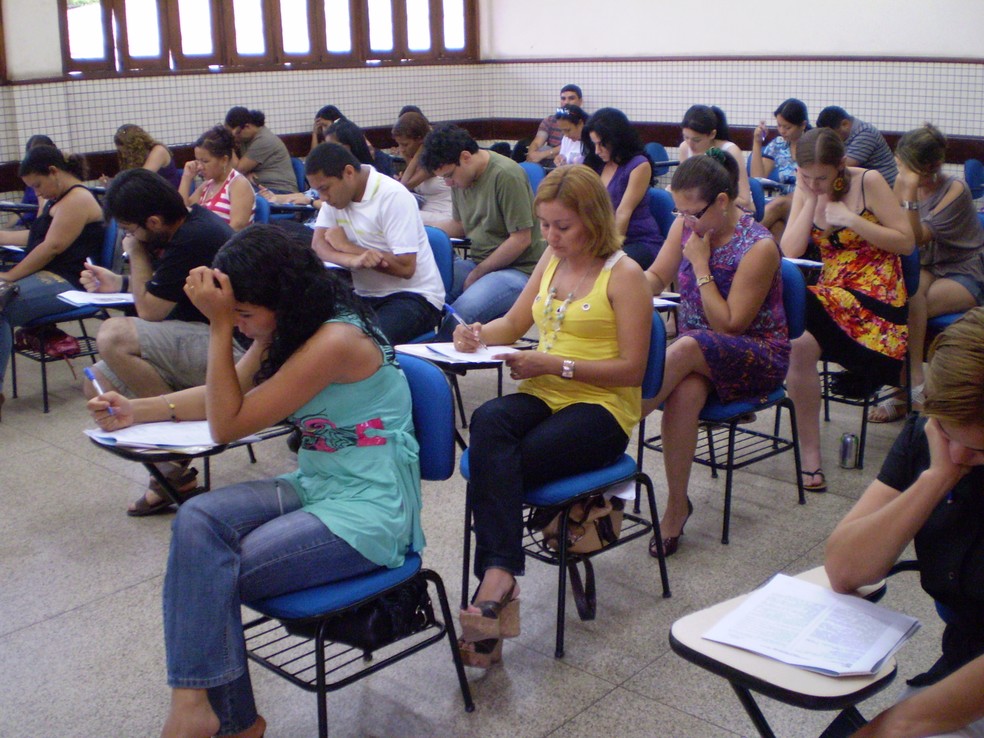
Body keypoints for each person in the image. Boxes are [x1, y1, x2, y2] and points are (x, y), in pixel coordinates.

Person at [86, 225, 424, 738]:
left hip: (372, 509)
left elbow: (228, 422)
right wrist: (136, 409)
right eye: (234, 315)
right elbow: (225, 394)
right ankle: (213, 712)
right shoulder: (292, 327)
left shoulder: (335, 339)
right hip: (320, 484)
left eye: (244, 314)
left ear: (280, 297)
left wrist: (218, 328)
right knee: (198, 519)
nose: (240, 326)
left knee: (211, 571)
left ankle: (221, 718)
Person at [452, 164, 651, 667]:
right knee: (489, 422)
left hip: (602, 407)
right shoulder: (550, 262)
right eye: (545, 225)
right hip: (546, 392)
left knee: (504, 462)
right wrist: (475, 334)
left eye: (562, 226)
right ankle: (501, 575)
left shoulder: (624, 275)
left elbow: (632, 370)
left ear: (592, 219)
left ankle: (494, 581)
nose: (550, 236)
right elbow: (514, 322)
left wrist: (555, 363)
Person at [825, 308, 984, 738]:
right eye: (949, 436)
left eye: (979, 451)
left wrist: (900, 723)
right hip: (963, 660)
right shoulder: (930, 435)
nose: (958, 455)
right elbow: (845, 569)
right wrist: (934, 479)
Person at [642, 150, 789, 556]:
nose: (684, 222)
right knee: (686, 391)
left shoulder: (758, 246)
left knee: (687, 345)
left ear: (722, 202)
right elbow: (655, 276)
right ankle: (676, 505)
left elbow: (729, 325)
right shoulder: (686, 228)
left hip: (757, 355)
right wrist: (616, 297)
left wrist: (701, 265)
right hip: (701, 355)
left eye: (692, 213)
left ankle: (614, 422)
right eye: (678, 213)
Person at [81, 169, 238, 514]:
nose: (129, 236)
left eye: (130, 230)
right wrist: (119, 284)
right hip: (197, 340)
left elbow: (150, 311)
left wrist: (134, 253)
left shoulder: (196, 236)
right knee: (98, 380)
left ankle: (177, 432)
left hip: (234, 350)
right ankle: (173, 477)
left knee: (113, 335)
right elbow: (163, 295)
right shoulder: (181, 230)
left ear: (152, 222)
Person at [781, 127, 913, 493]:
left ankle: (752, 358)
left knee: (795, 300)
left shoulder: (867, 181)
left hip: (878, 296)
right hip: (835, 296)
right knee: (798, 344)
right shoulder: (807, 187)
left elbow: (906, 241)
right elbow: (788, 250)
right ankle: (810, 458)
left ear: (841, 166)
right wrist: (808, 200)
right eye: (806, 176)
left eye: (822, 177)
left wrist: (852, 220)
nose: (815, 183)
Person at [869, 124, 984, 423]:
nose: (900, 171)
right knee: (906, 296)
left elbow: (914, 236)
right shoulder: (902, 181)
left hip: (964, 269)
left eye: (905, 167)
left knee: (911, 307)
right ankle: (912, 384)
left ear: (928, 167)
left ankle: (906, 386)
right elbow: (896, 233)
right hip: (925, 265)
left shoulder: (956, 190)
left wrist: (907, 192)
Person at [0, 145, 105, 421]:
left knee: (2, 306)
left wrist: (9, 276)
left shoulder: (77, 199)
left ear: (54, 172)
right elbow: (34, 239)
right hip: (51, 277)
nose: (37, 193)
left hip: (71, 283)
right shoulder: (57, 200)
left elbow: (51, 247)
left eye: (38, 185)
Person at [308, 143, 445, 343]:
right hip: (364, 295)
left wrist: (349, 247)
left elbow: (406, 267)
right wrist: (351, 259)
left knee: (363, 345)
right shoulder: (336, 199)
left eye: (325, 189)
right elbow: (318, 245)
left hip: (414, 297)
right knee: (311, 334)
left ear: (348, 173)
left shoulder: (392, 196)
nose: (323, 198)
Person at [420, 124, 545, 335]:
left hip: (520, 271)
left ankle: (436, 362)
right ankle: (410, 354)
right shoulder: (461, 179)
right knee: (424, 293)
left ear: (466, 157)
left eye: (449, 175)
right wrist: (419, 230)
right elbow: (460, 225)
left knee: (462, 312)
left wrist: (479, 272)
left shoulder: (506, 175)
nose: (449, 183)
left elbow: (520, 239)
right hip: (479, 262)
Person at [583, 107, 664, 269]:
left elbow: (623, 213)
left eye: (602, 144)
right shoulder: (596, 164)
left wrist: (607, 252)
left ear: (616, 139)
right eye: (594, 145)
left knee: (601, 267)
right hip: (602, 238)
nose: (597, 151)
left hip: (638, 241)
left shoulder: (639, 165)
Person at [750, 98, 810, 242]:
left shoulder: (813, 145)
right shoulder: (778, 144)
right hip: (783, 205)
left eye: (787, 127)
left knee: (779, 204)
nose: (782, 131)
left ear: (803, 125)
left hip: (807, 201)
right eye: (779, 126)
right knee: (776, 226)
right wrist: (757, 143)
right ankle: (780, 261)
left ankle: (745, 241)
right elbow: (757, 177)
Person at [178, 125, 256, 231]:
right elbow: (181, 213)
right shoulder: (207, 185)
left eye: (205, 161)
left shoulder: (238, 184)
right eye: (198, 160)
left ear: (224, 160)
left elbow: (237, 227)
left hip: (228, 245)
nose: (200, 166)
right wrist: (186, 177)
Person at [675, 105, 752, 211]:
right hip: (698, 210)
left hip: (732, 209)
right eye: (686, 137)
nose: (690, 144)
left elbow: (745, 200)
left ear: (712, 134)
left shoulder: (731, 151)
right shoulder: (684, 148)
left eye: (697, 140)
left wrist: (709, 200)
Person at [392, 111, 453, 225]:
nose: (402, 149)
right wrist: (410, 157)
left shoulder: (436, 158)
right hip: (427, 212)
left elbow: (404, 186)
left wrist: (417, 154)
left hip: (445, 215)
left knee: (398, 216)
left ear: (420, 140)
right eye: (399, 144)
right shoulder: (417, 160)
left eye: (405, 144)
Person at [816, 106, 898, 186]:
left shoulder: (866, 133)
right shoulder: (847, 134)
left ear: (845, 124)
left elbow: (846, 165)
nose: (829, 140)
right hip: (868, 183)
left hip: (885, 185)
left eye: (832, 135)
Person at [224, 106, 297, 194]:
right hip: (261, 187)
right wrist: (246, 174)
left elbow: (238, 169)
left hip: (280, 190)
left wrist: (228, 142)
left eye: (236, 134)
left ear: (247, 127)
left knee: (234, 193)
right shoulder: (246, 138)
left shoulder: (264, 140)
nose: (235, 138)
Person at [106, 124, 182, 189]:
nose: (123, 155)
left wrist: (114, 185)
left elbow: (141, 179)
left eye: (126, 152)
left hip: (168, 196)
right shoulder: (137, 157)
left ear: (136, 146)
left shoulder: (159, 151)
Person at [526, 84, 584, 164]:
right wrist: (532, 155)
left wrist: (544, 154)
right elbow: (537, 142)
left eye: (571, 98)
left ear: (580, 101)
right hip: (554, 160)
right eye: (563, 99)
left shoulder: (584, 123)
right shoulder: (550, 120)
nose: (566, 102)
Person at [325, 117, 394, 177]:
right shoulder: (332, 172)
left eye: (333, 147)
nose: (329, 153)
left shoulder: (373, 173)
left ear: (350, 146)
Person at [13, 135, 56, 228]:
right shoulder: (32, 178)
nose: (37, 193)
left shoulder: (47, 183)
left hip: (32, 226)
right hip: (24, 224)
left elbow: (41, 222)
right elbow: (20, 209)